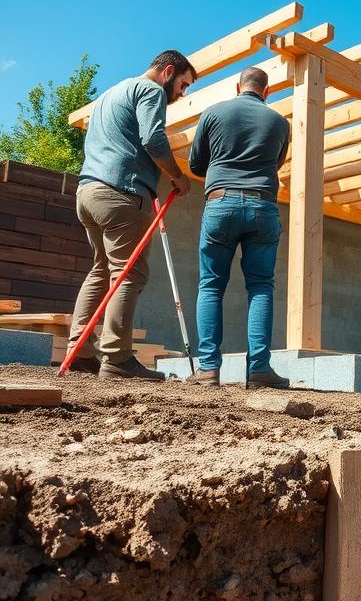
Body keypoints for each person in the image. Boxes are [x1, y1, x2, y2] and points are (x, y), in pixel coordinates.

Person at [67, 51, 195, 380]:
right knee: (129, 273)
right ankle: (116, 358)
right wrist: (177, 176)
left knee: (101, 271)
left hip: (88, 192)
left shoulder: (112, 93)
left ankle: (79, 352)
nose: (182, 94)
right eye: (183, 85)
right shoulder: (150, 91)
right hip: (121, 193)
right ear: (168, 71)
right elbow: (152, 139)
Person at [186, 66, 290, 389]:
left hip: (220, 204)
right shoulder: (280, 123)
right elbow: (276, 163)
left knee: (211, 285)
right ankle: (259, 369)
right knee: (260, 286)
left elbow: (195, 164)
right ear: (267, 91)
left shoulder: (213, 114)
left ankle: (208, 369)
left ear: (237, 86)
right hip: (263, 206)